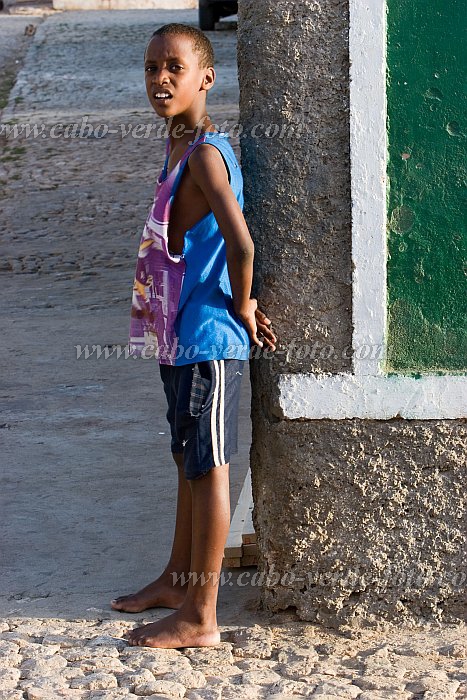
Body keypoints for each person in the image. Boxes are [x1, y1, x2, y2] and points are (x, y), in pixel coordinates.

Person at [111, 23, 276, 649]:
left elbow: (241, 242)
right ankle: (176, 582)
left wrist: (242, 303)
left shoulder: (206, 154)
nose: (160, 79)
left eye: (174, 68)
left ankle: (201, 615)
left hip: (208, 338)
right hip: (178, 335)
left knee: (209, 467)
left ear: (205, 78)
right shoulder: (176, 148)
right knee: (186, 456)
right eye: (152, 67)